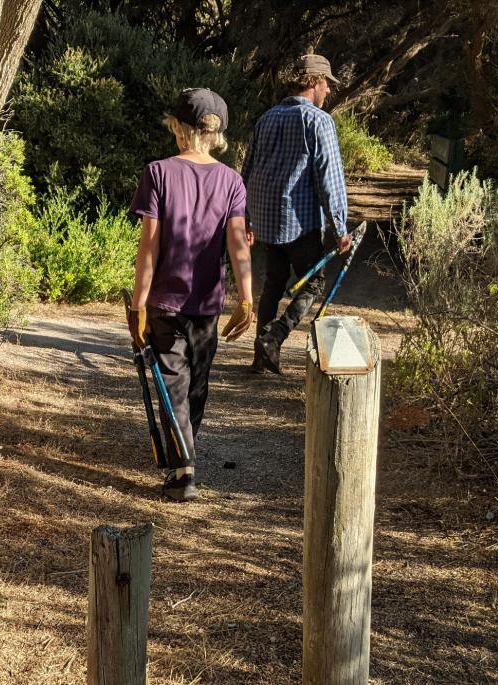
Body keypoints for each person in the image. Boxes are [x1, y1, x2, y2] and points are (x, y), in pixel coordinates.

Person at [127, 88, 255, 502]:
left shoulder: (159, 173)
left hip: (165, 298)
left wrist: (138, 303)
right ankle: (184, 463)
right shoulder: (231, 180)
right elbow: (238, 245)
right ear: (216, 135)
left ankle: (183, 465)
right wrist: (246, 298)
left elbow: (149, 246)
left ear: (179, 128)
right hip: (207, 304)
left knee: (176, 382)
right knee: (194, 383)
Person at [243, 54, 350, 375]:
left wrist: (246, 217)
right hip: (300, 222)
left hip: (266, 220)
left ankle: (259, 356)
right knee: (314, 283)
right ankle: (275, 337)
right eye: (328, 83)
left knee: (273, 284)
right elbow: (329, 178)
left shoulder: (267, 118)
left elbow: (247, 170)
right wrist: (340, 227)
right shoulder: (318, 121)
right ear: (315, 82)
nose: (329, 90)